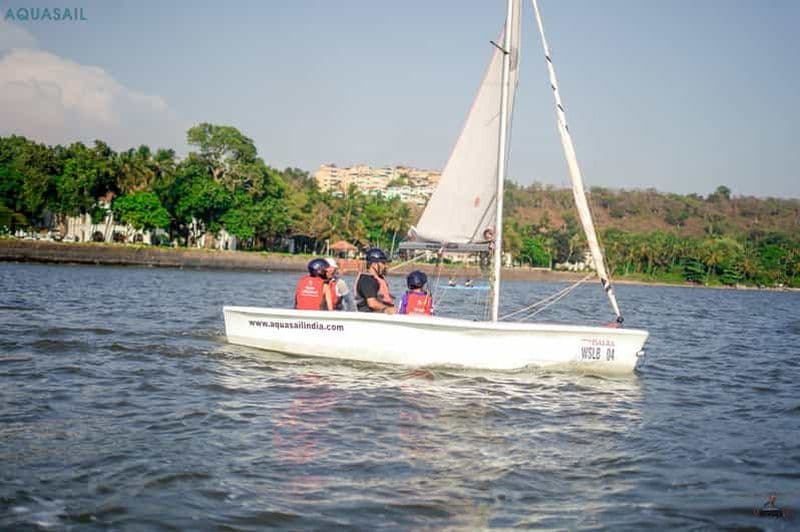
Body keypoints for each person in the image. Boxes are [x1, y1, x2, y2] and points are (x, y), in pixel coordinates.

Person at [355, 248, 395, 314]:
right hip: (370, 317)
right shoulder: (367, 280)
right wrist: (387, 308)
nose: (385, 266)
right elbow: (372, 303)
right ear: (374, 264)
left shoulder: (377, 279)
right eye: (383, 263)